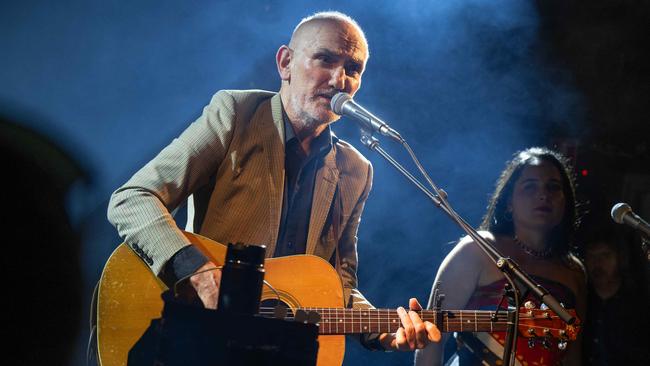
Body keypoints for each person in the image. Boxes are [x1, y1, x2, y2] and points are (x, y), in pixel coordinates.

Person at [107, 11, 440, 352]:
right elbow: (131, 198)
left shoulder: (356, 169)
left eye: (353, 69)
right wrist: (199, 272)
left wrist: (384, 331)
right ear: (285, 63)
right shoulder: (235, 114)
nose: (340, 79)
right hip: (193, 336)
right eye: (325, 59)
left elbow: (340, 284)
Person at [414, 147, 587, 365]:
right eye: (530, 186)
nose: (543, 195)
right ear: (509, 203)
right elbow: (432, 337)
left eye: (553, 187)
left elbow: (572, 356)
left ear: (566, 201)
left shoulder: (573, 271)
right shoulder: (477, 249)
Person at [582, 226, 650, 365]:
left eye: (605, 255)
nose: (597, 263)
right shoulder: (582, 300)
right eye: (592, 256)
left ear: (619, 259)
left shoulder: (639, 303)